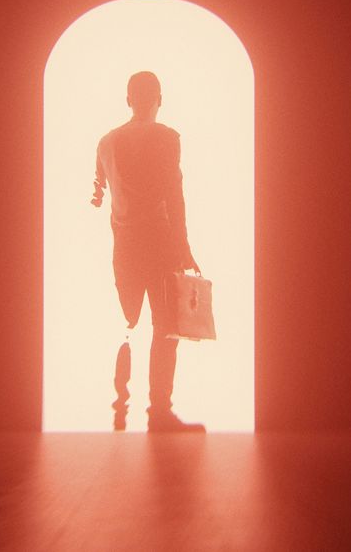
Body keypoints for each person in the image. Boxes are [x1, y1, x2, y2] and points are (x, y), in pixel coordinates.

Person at [91, 71, 205, 432]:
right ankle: (159, 411)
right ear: (160, 97)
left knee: (126, 324)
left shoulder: (106, 142)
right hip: (159, 241)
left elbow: (102, 199)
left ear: (127, 100)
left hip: (123, 245)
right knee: (165, 326)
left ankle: (118, 411)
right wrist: (184, 246)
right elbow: (174, 195)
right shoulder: (167, 138)